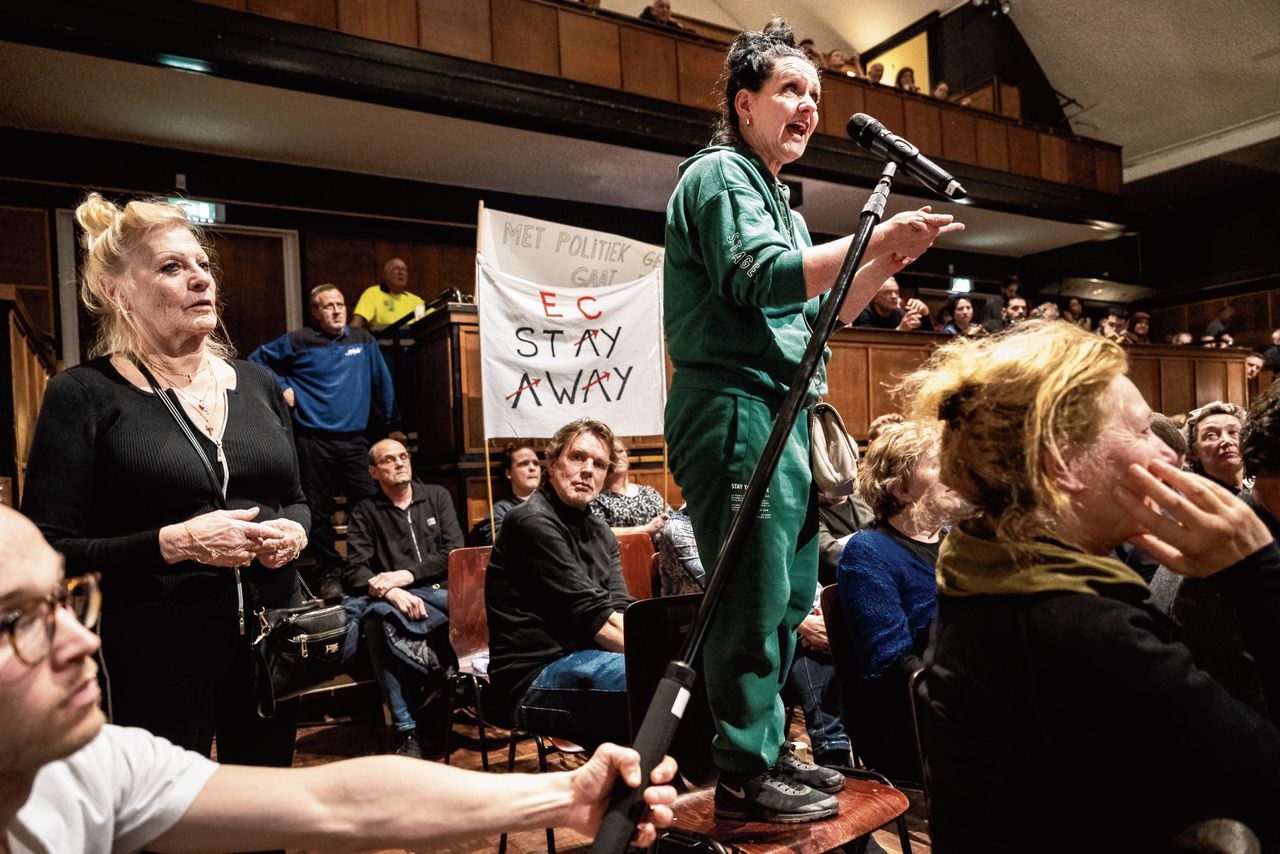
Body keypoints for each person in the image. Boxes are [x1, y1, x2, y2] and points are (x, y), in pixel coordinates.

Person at [661, 18, 962, 824]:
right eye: (791, 89)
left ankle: (767, 752)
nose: (808, 106)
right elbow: (757, 280)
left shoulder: (781, 205)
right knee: (753, 595)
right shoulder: (721, 173)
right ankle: (744, 770)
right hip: (734, 405)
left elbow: (818, 316)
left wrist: (883, 262)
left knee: (790, 592)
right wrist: (869, 234)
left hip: (782, 407)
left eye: (817, 95)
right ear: (744, 102)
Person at [0, 506, 678, 854]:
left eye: (64, 600)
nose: (83, 638)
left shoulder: (88, 766)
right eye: (16, 620)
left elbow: (339, 802)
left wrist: (565, 794)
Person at [898, 320, 1280, 851]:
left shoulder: (987, 569)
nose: (1171, 454)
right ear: (1062, 464)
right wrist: (1257, 575)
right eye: (1144, 431)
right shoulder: (1077, 627)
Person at [22, 193, 311, 773]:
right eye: (172, 268)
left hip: (268, 640)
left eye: (202, 265)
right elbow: (48, 548)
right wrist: (172, 543)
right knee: (164, 819)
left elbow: (299, 499)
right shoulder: (83, 395)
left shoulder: (256, 383)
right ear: (117, 291)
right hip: (152, 651)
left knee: (263, 813)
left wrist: (295, 535)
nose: (200, 280)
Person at [486, 418, 634, 749]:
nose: (588, 470)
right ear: (552, 464)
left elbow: (620, 606)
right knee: (658, 681)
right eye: (577, 457)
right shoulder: (530, 521)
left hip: (589, 657)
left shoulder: (601, 532)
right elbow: (595, 620)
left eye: (598, 464)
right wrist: (663, 657)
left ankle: (643, 790)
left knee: (677, 682)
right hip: (533, 677)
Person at [250, 283, 401, 600]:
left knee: (371, 506)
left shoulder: (363, 340)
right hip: (313, 441)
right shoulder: (300, 340)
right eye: (327, 305)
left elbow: (383, 384)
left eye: (340, 303)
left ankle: (367, 569)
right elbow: (255, 360)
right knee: (317, 512)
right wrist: (282, 386)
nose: (335, 309)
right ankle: (329, 573)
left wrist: (390, 425)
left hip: (356, 441)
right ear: (316, 312)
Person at [836, 420, 961, 783]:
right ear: (901, 488)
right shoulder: (868, 551)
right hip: (911, 723)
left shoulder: (959, 544)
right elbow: (892, 666)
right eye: (940, 463)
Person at [343, 437, 464, 758]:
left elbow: (452, 551)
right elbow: (355, 571)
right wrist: (394, 591)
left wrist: (405, 576)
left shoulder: (436, 496)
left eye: (403, 456)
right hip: (398, 602)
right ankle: (408, 728)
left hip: (441, 593)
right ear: (373, 471)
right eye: (388, 460)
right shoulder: (365, 511)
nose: (399, 463)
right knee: (375, 620)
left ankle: (439, 681)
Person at [590, 436, 670, 537]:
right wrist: (645, 529)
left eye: (620, 451)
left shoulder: (648, 492)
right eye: (612, 454)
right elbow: (598, 532)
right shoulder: (597, 498)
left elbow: (670, 518)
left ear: (627, 455)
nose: (617, 457)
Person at [467, 442, 542, 546]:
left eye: (536, 463)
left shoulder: (552, 503)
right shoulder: (501, 510)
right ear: (508, 473)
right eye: (524, 464)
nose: (532, 468)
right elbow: (499, 541)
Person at [1185, 401, 1246, 493]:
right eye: (1211, 435)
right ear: (1194, 451)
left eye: (1234, 432)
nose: (1226, 441)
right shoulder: (1195, 497)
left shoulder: (1262, 490)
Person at [351, 257, 426, 331]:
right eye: (396, 269)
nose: (401, 273)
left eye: (404, 270)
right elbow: (356, 324)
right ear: (386, 274)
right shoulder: (373, 293)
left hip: (415, 342)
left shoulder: (416, 300)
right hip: (383, 341)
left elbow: (428, 323)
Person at [852, 277, 934, 331]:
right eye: (888, 293)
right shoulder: (863, 313)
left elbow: (927, 338)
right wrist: (900, 330)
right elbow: (866, 342)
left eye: (896, 292)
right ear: (874, 297)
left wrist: (925, 313)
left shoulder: (899, 313)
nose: (894, 296)